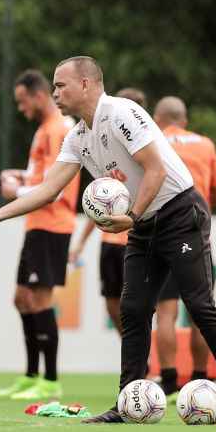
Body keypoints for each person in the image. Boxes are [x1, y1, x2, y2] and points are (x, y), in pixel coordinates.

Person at [0, 56, 216, 423]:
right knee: (133, 310)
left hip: (179, 214)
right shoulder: (77, 136)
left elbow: (156, 168)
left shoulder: (122, 113)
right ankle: (129, 404)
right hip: (142, 224)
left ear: (86, 85)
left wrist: (132, 216)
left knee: (199, 304)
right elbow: (47, 190)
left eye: (61, 85)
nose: (55, 92)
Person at [0, 69, 80, 400]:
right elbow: (40, 176)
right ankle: (31, 375)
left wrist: (16, 190)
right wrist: (20, 177)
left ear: (38, 96)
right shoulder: (45, 130)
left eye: (22, 101)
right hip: (36, 224)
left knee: (41, 299)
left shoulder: (59, 129)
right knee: (22, 298)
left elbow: (54, 189)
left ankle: (51, 379)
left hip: (53, 223)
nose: (20, 108)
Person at [152, 96, 216, 396]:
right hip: (195, 233)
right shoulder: (205, 144)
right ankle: (199, 378)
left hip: (162, 233)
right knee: (200, 311)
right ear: (184, 119)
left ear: (158, 118)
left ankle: (168, 380)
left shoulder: (154, 140)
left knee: (165, 313)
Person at [67, 87, 147, 336]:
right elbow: (99, 203)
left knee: (138, 305)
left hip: (137, 240)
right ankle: (133, 354)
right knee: (112, 304)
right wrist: (80, 242)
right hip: (109, 241)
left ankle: (143, 357)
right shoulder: (107, 151)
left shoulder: (147, 152)